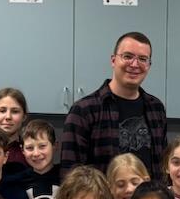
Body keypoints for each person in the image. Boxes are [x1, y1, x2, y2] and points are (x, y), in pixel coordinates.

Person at [60, 31, 167, 176]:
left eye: (143, 59)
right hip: (103, 192)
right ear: (113, 60)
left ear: (149, 65)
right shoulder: (84, 111)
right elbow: (71, 176)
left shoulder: (156, 109)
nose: (135, 64)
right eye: (127, 56)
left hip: (149, 192)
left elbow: (162, 167)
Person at [21, 118, 61, 199]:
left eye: (42, 146)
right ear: (22, 150)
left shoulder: (66, 177)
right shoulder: (19, 181)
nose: (36, 153)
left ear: (55, 146)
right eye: (30, 148)